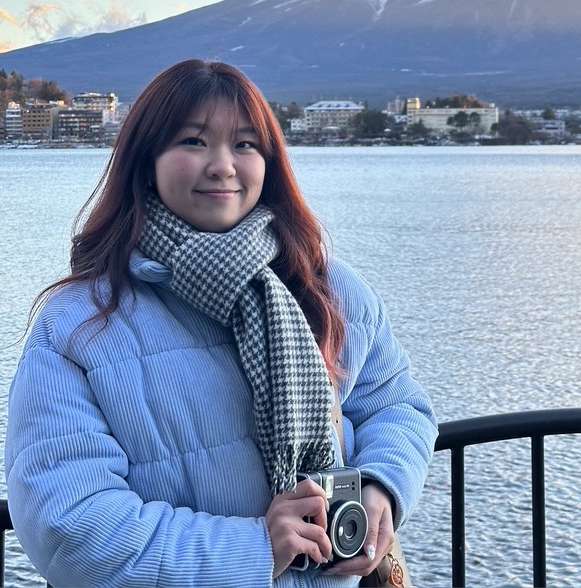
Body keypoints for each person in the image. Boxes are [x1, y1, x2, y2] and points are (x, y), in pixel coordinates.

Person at [5, 59, 437, 587]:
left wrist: (381, 487)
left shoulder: (326, 287)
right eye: (193, 141)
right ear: (146, 161)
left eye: (245, 144)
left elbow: (395, 404)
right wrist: (256, 548)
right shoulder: (78, 325)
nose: (223, 166)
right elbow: (69, 527)